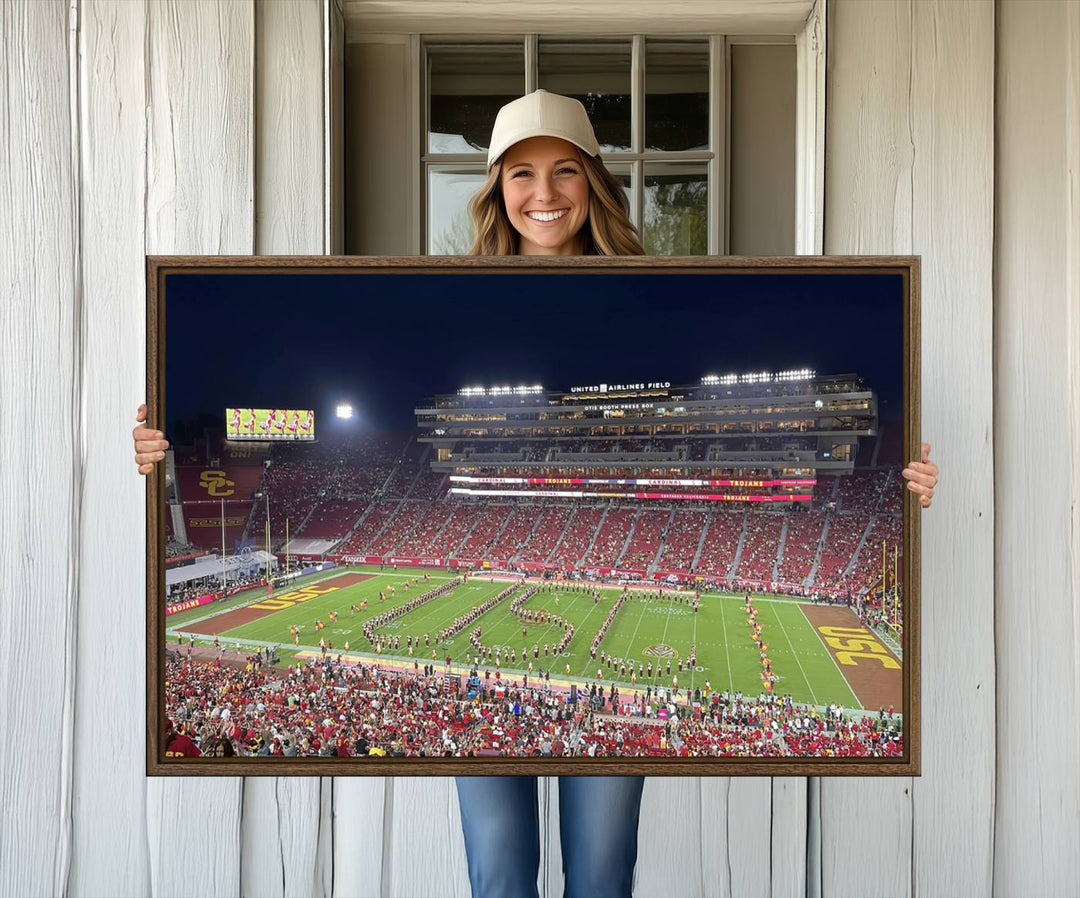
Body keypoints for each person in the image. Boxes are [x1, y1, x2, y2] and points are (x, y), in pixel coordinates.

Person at [132, 89, 940, 898]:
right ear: (495, 188)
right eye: (521, 173)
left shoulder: (660, 284)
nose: (544, 193)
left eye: (564, 171)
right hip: (486, 581)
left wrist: (905, 482)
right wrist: (159, 454)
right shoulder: (452, 291)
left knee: (600, 876)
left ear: (594, 181)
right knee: (500, 876)